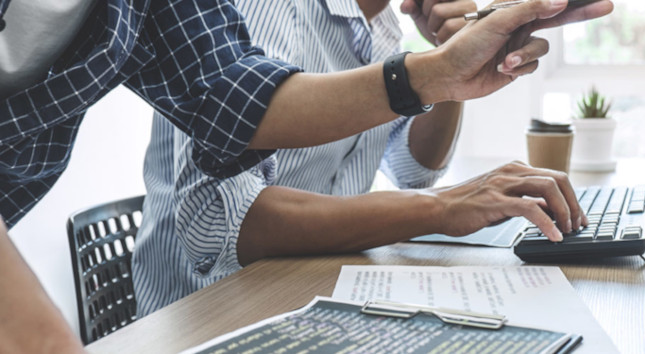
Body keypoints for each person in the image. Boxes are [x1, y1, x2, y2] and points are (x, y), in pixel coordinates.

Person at [0, 0, 613, 351]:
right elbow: (223, 219)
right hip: (206, 312)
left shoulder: (382, 35)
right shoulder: (268, 9)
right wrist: (442, 207)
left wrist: (443, 68)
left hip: (310, 294)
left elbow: (232, 95)